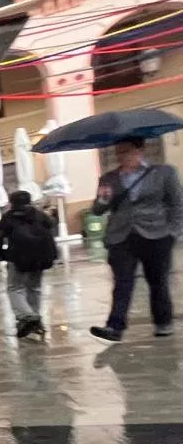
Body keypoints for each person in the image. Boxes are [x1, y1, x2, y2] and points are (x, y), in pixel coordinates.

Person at [89, 136, 182, 341]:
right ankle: (114, 327)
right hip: (121, 237)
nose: (120, 156)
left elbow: (177, 203)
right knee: (122, 282)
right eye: (118, 152)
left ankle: (163, 322)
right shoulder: (108, 178)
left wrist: (173, 232)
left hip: (156, 234)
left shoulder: (164, 173)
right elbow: (97, 210)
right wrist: (103, 198)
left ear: (140, 150)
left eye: (125, 151)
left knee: (157, 281)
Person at [0, 190, 58, 339]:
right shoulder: (39, 215)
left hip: (19, 257)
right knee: (34, 287)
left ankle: (27, 316)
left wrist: (2, 255)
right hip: (42, 256)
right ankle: (35, 319)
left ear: (11, 203)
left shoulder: (9, 217)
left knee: (15, 288)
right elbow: (51, 225)